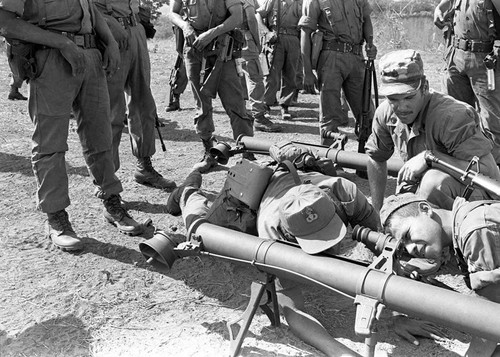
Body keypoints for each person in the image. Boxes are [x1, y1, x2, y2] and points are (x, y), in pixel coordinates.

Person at [165, 145, 444, 356]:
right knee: (202, 230)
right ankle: (188, 189)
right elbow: (293, 312)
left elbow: (385, 251)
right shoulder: (271, 232)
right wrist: (341, 353)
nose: (335, 246)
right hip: (248, 205)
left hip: (291, 182)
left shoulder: (344, 192)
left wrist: (397, 314)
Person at [0, 0, 144, 251]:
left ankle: (112, 202)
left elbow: (91, 10)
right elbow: (5, 21)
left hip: (90, 57)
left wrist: (109, 41)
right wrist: (63, 43)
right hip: (50, 58)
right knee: (50, 144)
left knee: (100, 135)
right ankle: (56, 218)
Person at [365, 49, 500, 213]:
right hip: (431, 193)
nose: (401, 107)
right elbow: (376, 158)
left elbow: (488, 171)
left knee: (431, 183)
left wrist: (431, 158)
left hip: (481, 199)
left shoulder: (451, 117)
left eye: (408, 97)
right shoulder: (385, 112)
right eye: (393, 99)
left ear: (425, 87)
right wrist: (376, 210)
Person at [380, 192, 500, 356]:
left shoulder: (474, 230)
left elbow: (489, 317)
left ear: (425, 209)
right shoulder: (464, 223)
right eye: (404, 245)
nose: (410, 249)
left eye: (407, 235)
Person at [92, 1, 176, 191]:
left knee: (143, 104)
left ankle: (144, 166)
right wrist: (108, 23)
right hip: (109, 33)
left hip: (135, 29)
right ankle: (107, 182)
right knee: (112, 112)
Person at [170, 0, 255, 173]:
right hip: (194, 50)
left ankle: (248, 155)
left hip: (223, 49)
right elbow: (173, 12)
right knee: (202, 105)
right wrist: (185, 26)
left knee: (236, 103)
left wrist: (211, 33)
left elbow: (237, 16)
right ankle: (209, 152)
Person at [299, 0, 377, 146]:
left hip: (356, 57)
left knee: (366, 113)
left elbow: (366, 20)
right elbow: (305, 32)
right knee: (329, 117)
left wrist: (370, 43)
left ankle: (367, 160)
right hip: (330, 59)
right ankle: (331, 163)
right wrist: (307, 72)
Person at [434, 0, 500, 166]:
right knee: (454, 116)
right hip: (455, 55)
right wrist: (440, 8)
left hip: (486, 60)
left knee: (492, 124)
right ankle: (459, 170)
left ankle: (493, 177)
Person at [240, 0, 283, 132]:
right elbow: (252, 19)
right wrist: (258, 42)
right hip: (246, 39)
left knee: (237, 77)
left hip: (230, 39)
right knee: (255, 77)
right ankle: (258, 117)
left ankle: (241, 114)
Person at [256, 0, 302, 120]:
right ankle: (266, 106)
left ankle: (285, 106)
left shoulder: (301, 2)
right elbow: (258, 15)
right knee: (272, 75)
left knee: (291, 75)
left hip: (294, 39)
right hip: (276, 39)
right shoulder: (273, 1)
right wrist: (266, 32)